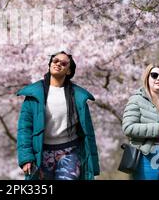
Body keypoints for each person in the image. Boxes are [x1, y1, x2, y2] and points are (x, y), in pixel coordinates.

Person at [16, 51, 100, 180]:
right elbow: (24, 129)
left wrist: (92, 165)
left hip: (70, 152)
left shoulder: (78, 97)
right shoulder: (33, 95)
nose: (58, 64)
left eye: (64, 63)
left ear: (68, 71)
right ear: (50, 64)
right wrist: (26, 158)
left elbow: (88, 133)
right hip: (41, 152)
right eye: (55, 61)